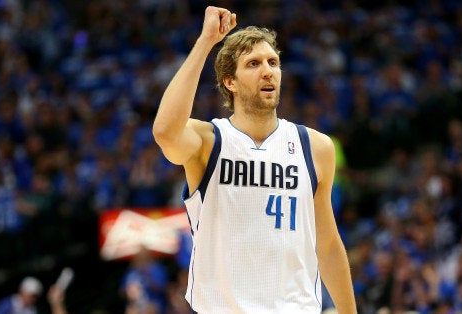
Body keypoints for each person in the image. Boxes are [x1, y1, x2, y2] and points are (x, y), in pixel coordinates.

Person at [152, 6, 357, 313]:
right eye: (253, 63)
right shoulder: (209, 142)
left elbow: (327, 245)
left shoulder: (315, 147)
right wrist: (206, 42)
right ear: (229, 82)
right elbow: (166, 132)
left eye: (273, 62)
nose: (268, 70)